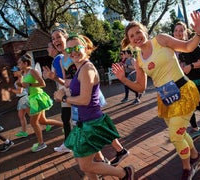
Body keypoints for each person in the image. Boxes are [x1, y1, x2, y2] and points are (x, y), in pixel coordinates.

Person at [112, 11, 200, 179]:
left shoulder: (160, 40)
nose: (136, 37)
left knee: (175, 135)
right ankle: (196, 157)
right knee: (181, 133)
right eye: (132, 36)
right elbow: (141, 88)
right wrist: (124, 79)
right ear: (131, 41)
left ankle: (187, 168)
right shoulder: (139, 59)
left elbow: (187, 47)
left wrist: (199, 33)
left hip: (183, 91)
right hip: (166, 98)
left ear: (144, 31)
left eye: (138, 32)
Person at [54, 34, 134, 180]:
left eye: (77, 47)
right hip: (83, 123)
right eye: (69, 49)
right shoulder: (79, 68)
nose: (73, 52)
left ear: (85, 48)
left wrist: (64, 98)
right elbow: (78, 89)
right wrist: (64, 91)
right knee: (81, 159)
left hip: (92, 123)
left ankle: (124, 174)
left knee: (85, 165)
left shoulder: (87, 68)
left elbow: (84, 100)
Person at [17, 53, 63, 152]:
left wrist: (29, 84)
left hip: (37, 97)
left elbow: (43, 84)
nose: (18, 65)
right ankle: (65, 125)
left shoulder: (32, 71)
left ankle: (41, 143)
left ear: (25, 63)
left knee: (34, 122)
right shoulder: (23, 73)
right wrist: (20, 85)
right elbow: (26, 86)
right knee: (43, 121)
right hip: (32, 98)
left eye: (20, 63)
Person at [43, 41, 72, 153]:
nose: (47, 49)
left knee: (67, 118)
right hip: (65, 90)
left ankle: (68, 143)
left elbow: (63, 79)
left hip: (66, 90)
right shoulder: (59, 58)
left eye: (49, 47)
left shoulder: (58, 59)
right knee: (66, 118)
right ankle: (68, 143)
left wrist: (61, 93)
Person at [8, 66, 30, 137]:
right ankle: (24, 132)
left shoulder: (21, 79)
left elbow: (20, 91)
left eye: (14, 71)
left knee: (32, 116)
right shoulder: (19, 79)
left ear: (19, 71)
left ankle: (46, 123)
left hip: (24, 99)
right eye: (13, 71)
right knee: (21, 116)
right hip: (21, 99)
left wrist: (11, 90)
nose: (13, 72)